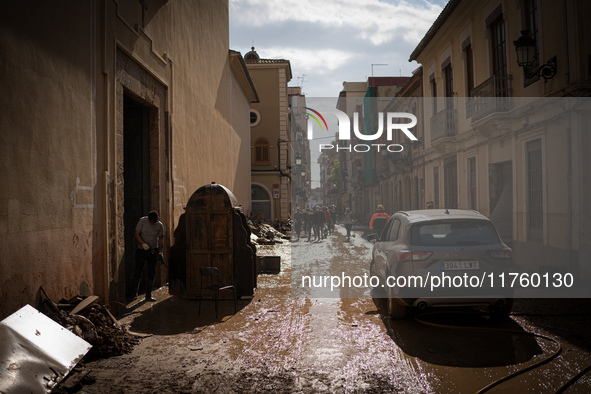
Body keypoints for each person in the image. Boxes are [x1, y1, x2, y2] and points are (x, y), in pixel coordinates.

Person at [132, 210, 164, 302]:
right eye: (152, 222)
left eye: (155, 222)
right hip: (141, 250)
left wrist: (161, 252)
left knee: (151, 272)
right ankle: (134, 294)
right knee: (138, 270)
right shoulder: (142, 221)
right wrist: (143, 244)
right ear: (149, 219)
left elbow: (161, 239)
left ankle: (148, 295)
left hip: (153, 251)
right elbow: (136, 234)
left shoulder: (159, 225)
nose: (154, 224)